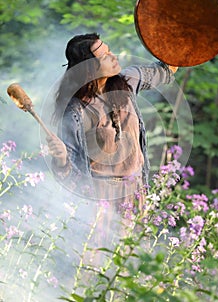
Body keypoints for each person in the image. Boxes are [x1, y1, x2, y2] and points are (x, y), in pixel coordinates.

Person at [47, 32, 178, 249]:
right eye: (105, 55)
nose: (113, 56)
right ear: (88, 67)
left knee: (132, 261)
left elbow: (167, 69)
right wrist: (60, 159)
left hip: (135, 192)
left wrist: (182, 34)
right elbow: (68, 173)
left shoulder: (128, 82)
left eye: (109, 50)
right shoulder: (76, 111)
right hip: (100, 198)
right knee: (98, 262)